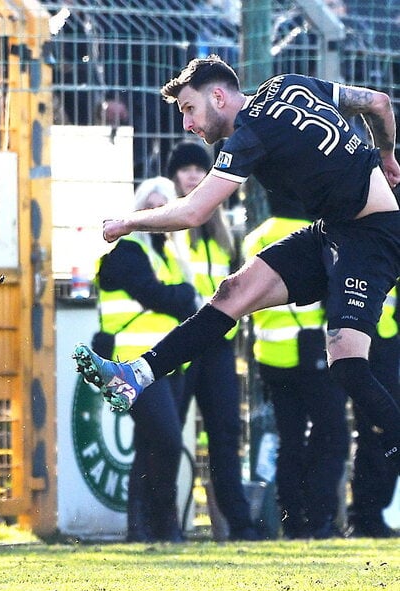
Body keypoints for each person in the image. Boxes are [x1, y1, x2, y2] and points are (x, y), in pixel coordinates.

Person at [72, 55, 400, 482]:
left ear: (219, 96)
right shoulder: (289, 84)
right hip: (334, 230)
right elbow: (376, 101)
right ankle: (136, 375)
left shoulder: (250, 135)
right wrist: (387, 155)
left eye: (189, 109)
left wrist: (129, 221)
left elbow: (194, 211)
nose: (188, 124)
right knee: (233, 292)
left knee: (347, 365)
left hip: (372, 236)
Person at [93, 176, 198, 542]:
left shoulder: (166, 253)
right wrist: (184, 293)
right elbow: (159, 297)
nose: (155, 214)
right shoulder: (128, 252)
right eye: (148, 206)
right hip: (132, 363)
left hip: (164, 365)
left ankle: (142, 529)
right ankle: (164, 524)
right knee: (167, 440)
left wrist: (183, 294)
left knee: (151, 443)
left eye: (163, 207)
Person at [166, 140, 261, 541]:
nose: (191, 175)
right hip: (179, 345)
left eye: (197, 169)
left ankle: (239, 526)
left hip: (217, 347)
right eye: (184, 169)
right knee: (169, 436)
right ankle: (164, 521)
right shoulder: (170, 229)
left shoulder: (224, 235)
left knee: (224, 433)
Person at [243, 211, 349, 539]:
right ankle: (320, 521)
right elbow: (332, 287)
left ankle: (293, 524)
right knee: (332, 436)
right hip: (313, 351)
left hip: (272, 355)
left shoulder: (256, 236)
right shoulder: (319, 232)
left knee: (290, 442)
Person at [349, 287, 400, 538]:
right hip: (370, 349)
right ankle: (365, 516)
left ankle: (371, 514)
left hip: (387, 348)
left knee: (385, 434)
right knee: (374, 435)